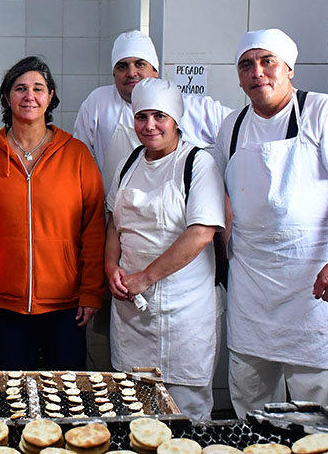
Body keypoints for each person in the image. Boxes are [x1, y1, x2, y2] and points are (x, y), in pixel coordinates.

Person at [212, 28, 328, 417]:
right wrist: (222, 267)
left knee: (316, 409)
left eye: (268, 61)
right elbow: (225, 203)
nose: (258, 72)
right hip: (252, 285)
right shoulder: (231, 127)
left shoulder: (321, 111)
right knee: (251, 402)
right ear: (239, 76)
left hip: (312, 283)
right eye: (247, 64)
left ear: (289, 69)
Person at [104, 78, 225, 420]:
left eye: (159, 116)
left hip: (183, 310)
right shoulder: (129, 163)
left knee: (184, 410)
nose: (150, 125)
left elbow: (201, 232)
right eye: (142, 117)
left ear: (175, 120)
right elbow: (115, 221)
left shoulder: (197, 164)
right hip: (132, 309)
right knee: (133, 406)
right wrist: (111, 266)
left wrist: (146, 277)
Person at [0, 56, 105, 370]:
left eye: (38, 88)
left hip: (65, 304)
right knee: (12, 395)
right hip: (3, 301)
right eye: (19, 88)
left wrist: (90, 292)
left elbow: (93, 227)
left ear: (50, 98)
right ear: (7, 97)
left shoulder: (76, 154)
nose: (29, 96)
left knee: (65, 395)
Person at [74, 30, 232, 193]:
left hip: (176, 213)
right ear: (114, 74)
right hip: (117, 208)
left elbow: (237, 131)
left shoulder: (190, 106)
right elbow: (78, 159)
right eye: (122, 66)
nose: (131, 73)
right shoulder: (99, 102)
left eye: (140, 64)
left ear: (155, 71)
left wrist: (224, 186)